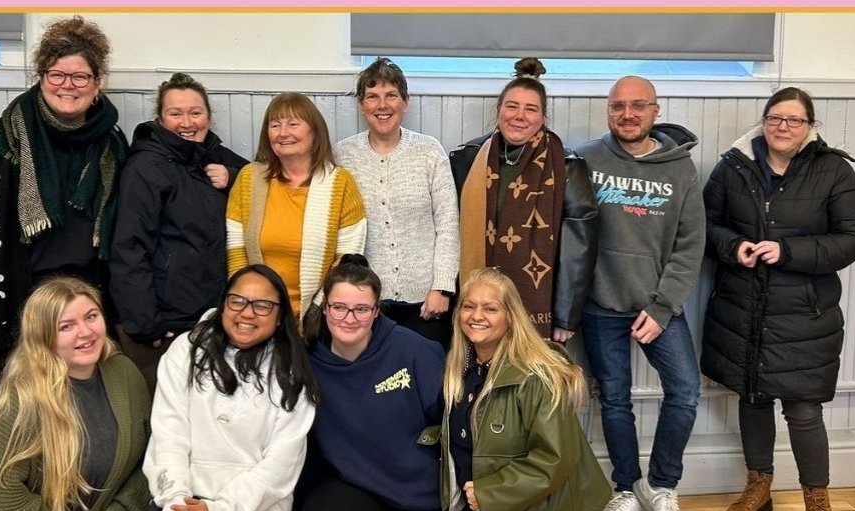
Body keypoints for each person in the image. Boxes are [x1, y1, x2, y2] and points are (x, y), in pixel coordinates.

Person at [0, 16, 130, 405]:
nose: (67, 86)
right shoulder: (3, 139)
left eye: (80, 77)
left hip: (85, 314)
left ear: (98, 83)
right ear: (41, 77)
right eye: (57, 74)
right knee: (15, 431)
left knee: (83, 426)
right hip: (14, 313)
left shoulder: (112, 144)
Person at [702, 87, 855, 511]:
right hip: (742, 309)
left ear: (810, 127)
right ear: (763, 121)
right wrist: (732, 246)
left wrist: (788, 251)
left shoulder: (833, 170)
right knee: (752, 399)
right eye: (776, 117)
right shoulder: (732, 167)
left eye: (794, 120)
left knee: (803, 408)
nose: (783, 127)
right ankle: (758, 486)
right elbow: (704, 225)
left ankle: (817, 497)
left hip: (804, 314)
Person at [572, 76, 705, 511]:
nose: (627, 115)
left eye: (638, 106)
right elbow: (569, 235)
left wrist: (663, 306)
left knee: (685, 391)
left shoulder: (681, 168)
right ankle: (627, 489)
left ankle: (661, 485)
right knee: (613, 399)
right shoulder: (585, 159)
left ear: (656, 110)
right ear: (608, 111)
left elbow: (690, 246)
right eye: (618, 107)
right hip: (599, 304)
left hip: (656, 304)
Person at [0, 277, 153, 511]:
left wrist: (124, 507)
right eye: (66, 326)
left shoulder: (124, 373)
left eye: (91, 316)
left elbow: (152, 452)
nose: (86, 332)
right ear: (44, 338)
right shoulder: (19, 400)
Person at [144, 265, 319, 511]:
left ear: (280, 315)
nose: (247, 312)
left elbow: (280, 467)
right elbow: (169, 435)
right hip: (181, 504)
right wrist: (178, 504)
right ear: (223, 304)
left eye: (262, 305)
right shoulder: (186, 350)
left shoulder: (292, 372)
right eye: (237, 301)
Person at [109, 72, 252, 392]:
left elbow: (264, 175)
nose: (187, 122)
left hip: (209, 319)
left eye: (195, 112)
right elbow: (129, 247)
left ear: (209, 117)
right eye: (175, 113)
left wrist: (232, 176)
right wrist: (146, 325)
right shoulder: (146, 167)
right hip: (165, 326)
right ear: (160, 119)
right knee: (161, 423)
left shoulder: (212, 154)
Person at [439, 268, 609, 511]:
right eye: (468, 306)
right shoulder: (458, 369)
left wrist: (490, 494)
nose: (476, 316)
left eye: (490, 309)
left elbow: (554, 458)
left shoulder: (536, 377)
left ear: (511, 316)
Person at [448, 57, 596, 344]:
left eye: (531, 109)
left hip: (538, 305)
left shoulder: (566, 167)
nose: (520, 116)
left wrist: (565, 316)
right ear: (499, 110)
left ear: (543, 118)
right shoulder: (467, 161)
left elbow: (579, 248)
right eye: (512, 106)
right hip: (477, 308)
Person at [293, 254, 446, 511]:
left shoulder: (414, 351)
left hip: (421, 493)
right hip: (355, 486)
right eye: (339, 307)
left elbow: (451, 420)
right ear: (325, 308)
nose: (349, 319)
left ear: (376, 311)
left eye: (361, 309)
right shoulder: (309, 363)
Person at [334, 58, 460, 346]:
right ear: (360, 104)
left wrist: (442, 287)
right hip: (366, 303)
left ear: (406, 101)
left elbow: (448, 223)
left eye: (391, 95)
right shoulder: (343, 155)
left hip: (427, 303)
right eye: (372, 96)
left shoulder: (429, 151)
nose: (382, 105)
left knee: (425, 382)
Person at [226, 92, 368, 317]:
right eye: (275, 125)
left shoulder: (340, 183)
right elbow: (237, 251)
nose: (283, 133)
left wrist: (316, 312)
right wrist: (249, 304)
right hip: (257, 314)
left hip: (319, 317)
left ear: (315, 132)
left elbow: (346, 259)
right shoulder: (249, 179)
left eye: (293, 124)